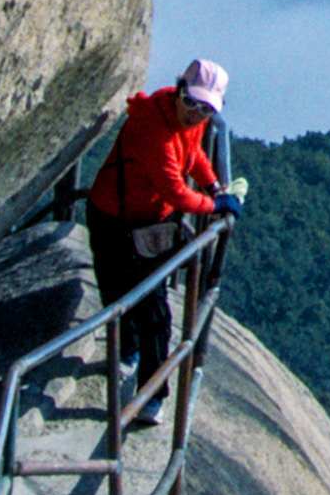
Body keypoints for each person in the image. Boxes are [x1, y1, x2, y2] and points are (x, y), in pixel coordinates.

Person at [88, 56, 234, 410]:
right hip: (113, 219)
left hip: (152, 223)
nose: (196, 114)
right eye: (190, 102)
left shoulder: (190, 122)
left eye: (205, 109)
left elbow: (195, 152)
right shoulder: (152, 126)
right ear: (178, 91)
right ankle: (128, 352)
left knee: (154, 310)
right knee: (117, 294)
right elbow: (175, 191)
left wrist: (214, 185)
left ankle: (151, 397)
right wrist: (216, 205)